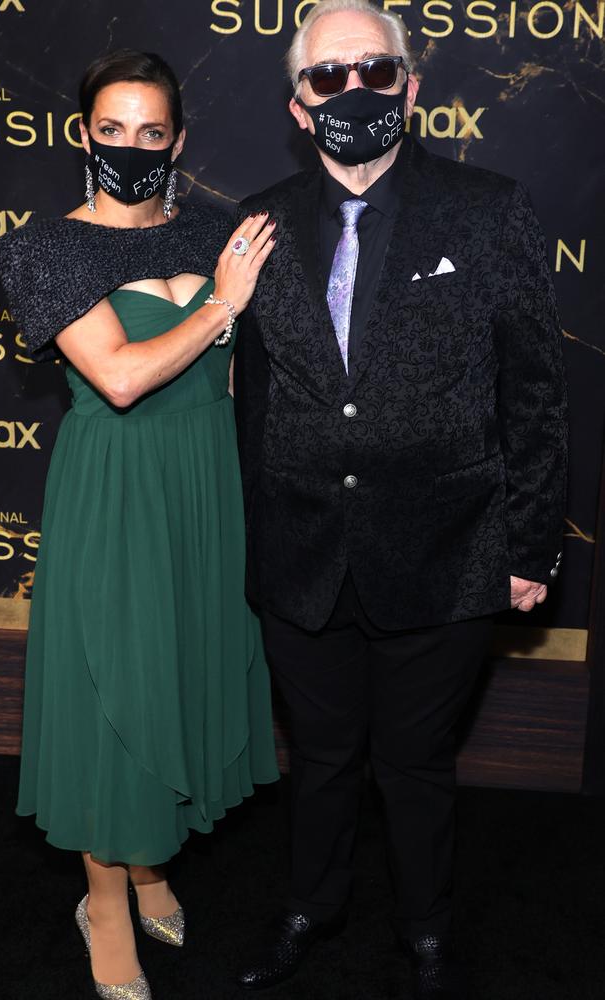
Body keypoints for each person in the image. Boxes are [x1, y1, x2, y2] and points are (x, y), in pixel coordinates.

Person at [233, 1, 568, 997]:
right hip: (300, 551)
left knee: (416, 764)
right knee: (324, 758)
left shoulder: (488, 208)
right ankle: (311, 906)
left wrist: (529, 546)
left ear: (410, 88)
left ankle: (425, 935)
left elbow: (535, 392)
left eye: (373, 72)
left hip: (448, 547)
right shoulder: (255, 222)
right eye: (326, 77)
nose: (352, 92)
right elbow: (250, 393)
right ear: (297, 105)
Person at [0, 49, 278, 1000]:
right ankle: (104, 900)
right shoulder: (46, 247)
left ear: (178, 141)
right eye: (111, 131)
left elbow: (238, 380)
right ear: (82, 135)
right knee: (113, 682)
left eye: (151, 132)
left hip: (205, 480)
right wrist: (225, 305)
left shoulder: (212, 228)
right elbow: (116, 377)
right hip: (118, 486)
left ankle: (151, 859)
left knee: (182, 667)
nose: (131, 148)